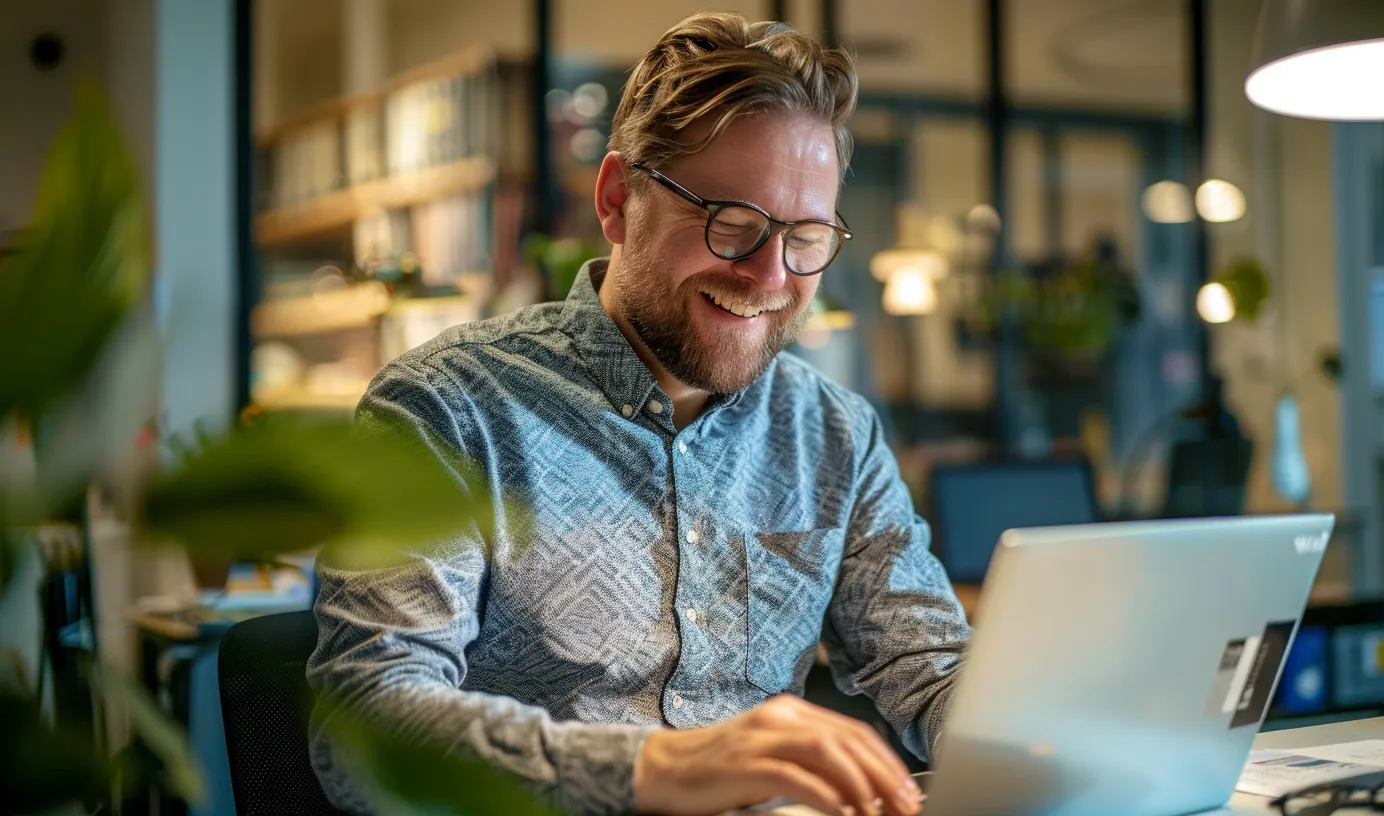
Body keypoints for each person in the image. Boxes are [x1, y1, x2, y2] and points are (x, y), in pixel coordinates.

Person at [307, 12, 970, 816]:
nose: (768, 275)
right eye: (731, 225)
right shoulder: (448, 409)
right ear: (619, 201)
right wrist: (660, 769)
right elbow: (368, 728)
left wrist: (1068, 730)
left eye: (804, 237)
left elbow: (931, 669)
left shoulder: (834, 434)